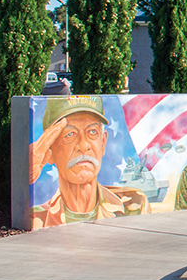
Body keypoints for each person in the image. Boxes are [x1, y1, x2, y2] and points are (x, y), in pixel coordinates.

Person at [30, 96, 150, 228]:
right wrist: (23, 176)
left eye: (92, 132)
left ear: (103, 143)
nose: (83, 145)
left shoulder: (134, 205)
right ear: (50, 149)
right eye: (69, 134)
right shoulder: (35, 219)